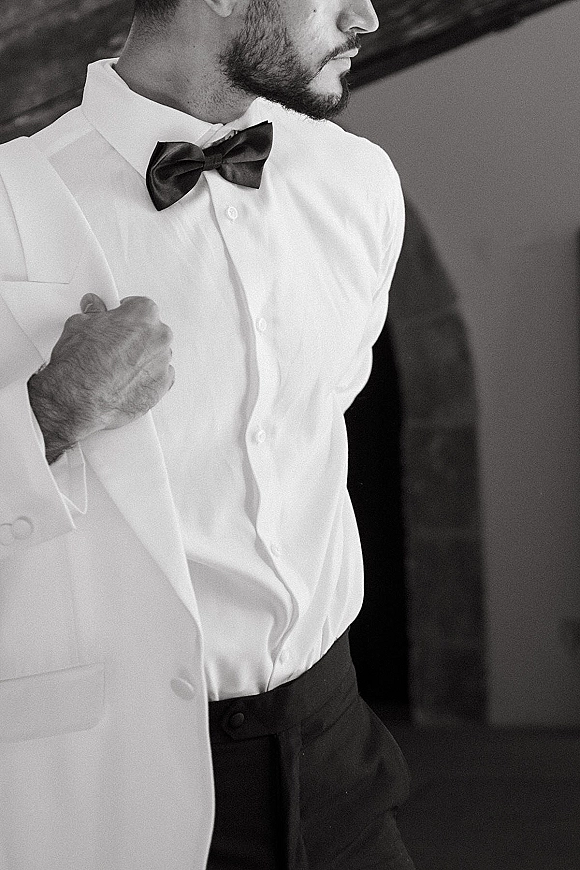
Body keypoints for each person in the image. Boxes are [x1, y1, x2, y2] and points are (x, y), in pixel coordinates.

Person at [0, 0, 412, 867]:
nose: (367, 15)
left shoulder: (361, 184)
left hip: (340, 748)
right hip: (123, 781)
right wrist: (45, 415)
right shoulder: (10, 208)